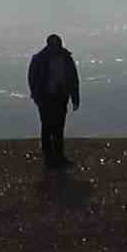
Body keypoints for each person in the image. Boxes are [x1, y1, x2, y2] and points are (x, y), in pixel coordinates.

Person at [27, 34, 81, 169]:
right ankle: (49, 157)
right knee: (47, 127)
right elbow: (33, 79)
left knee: (58, 128)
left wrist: (75, 97)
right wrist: (37, 96)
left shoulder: (65, 58)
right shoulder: (40, 59)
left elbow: (73, 79)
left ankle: (58, 156)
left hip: (60, 97)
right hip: (46, 98)